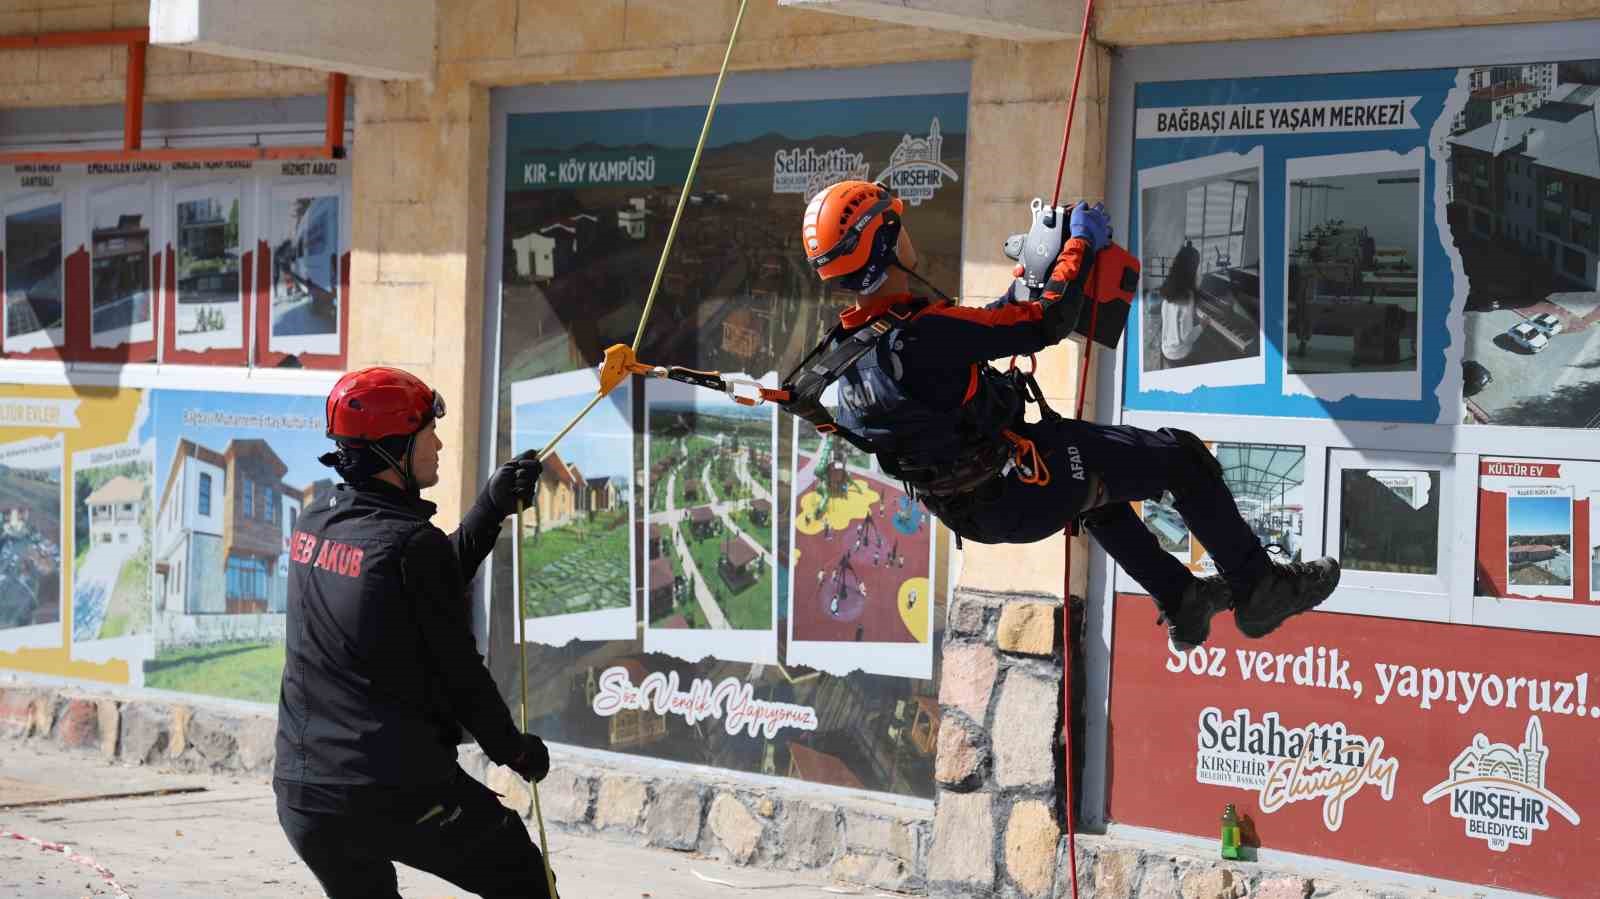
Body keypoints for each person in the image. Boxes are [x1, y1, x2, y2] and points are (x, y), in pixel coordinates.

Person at [787, 180, 1340, 649]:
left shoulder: (848, 353)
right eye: (897, 225)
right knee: (1184, 458)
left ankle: (1183, 598)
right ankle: (1259, 587)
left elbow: (986, 331)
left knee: (1100, 483)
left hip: (978, 509)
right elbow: (1044, 322)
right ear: (885, 242)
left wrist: (1030, 275)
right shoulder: (923, 335)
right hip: (1023, 488)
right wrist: (1076, 244)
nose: (908, 233)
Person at [274, 366, 554, 899]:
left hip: (304, 793)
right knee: (522, 876)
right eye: (429, 432)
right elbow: (460, 674)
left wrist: (489, 509)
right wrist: (514, 752)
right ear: (394, 447)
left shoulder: (316, 521)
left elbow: (412, 586)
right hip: (391, 789)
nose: (440, 442)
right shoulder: (409, 545)